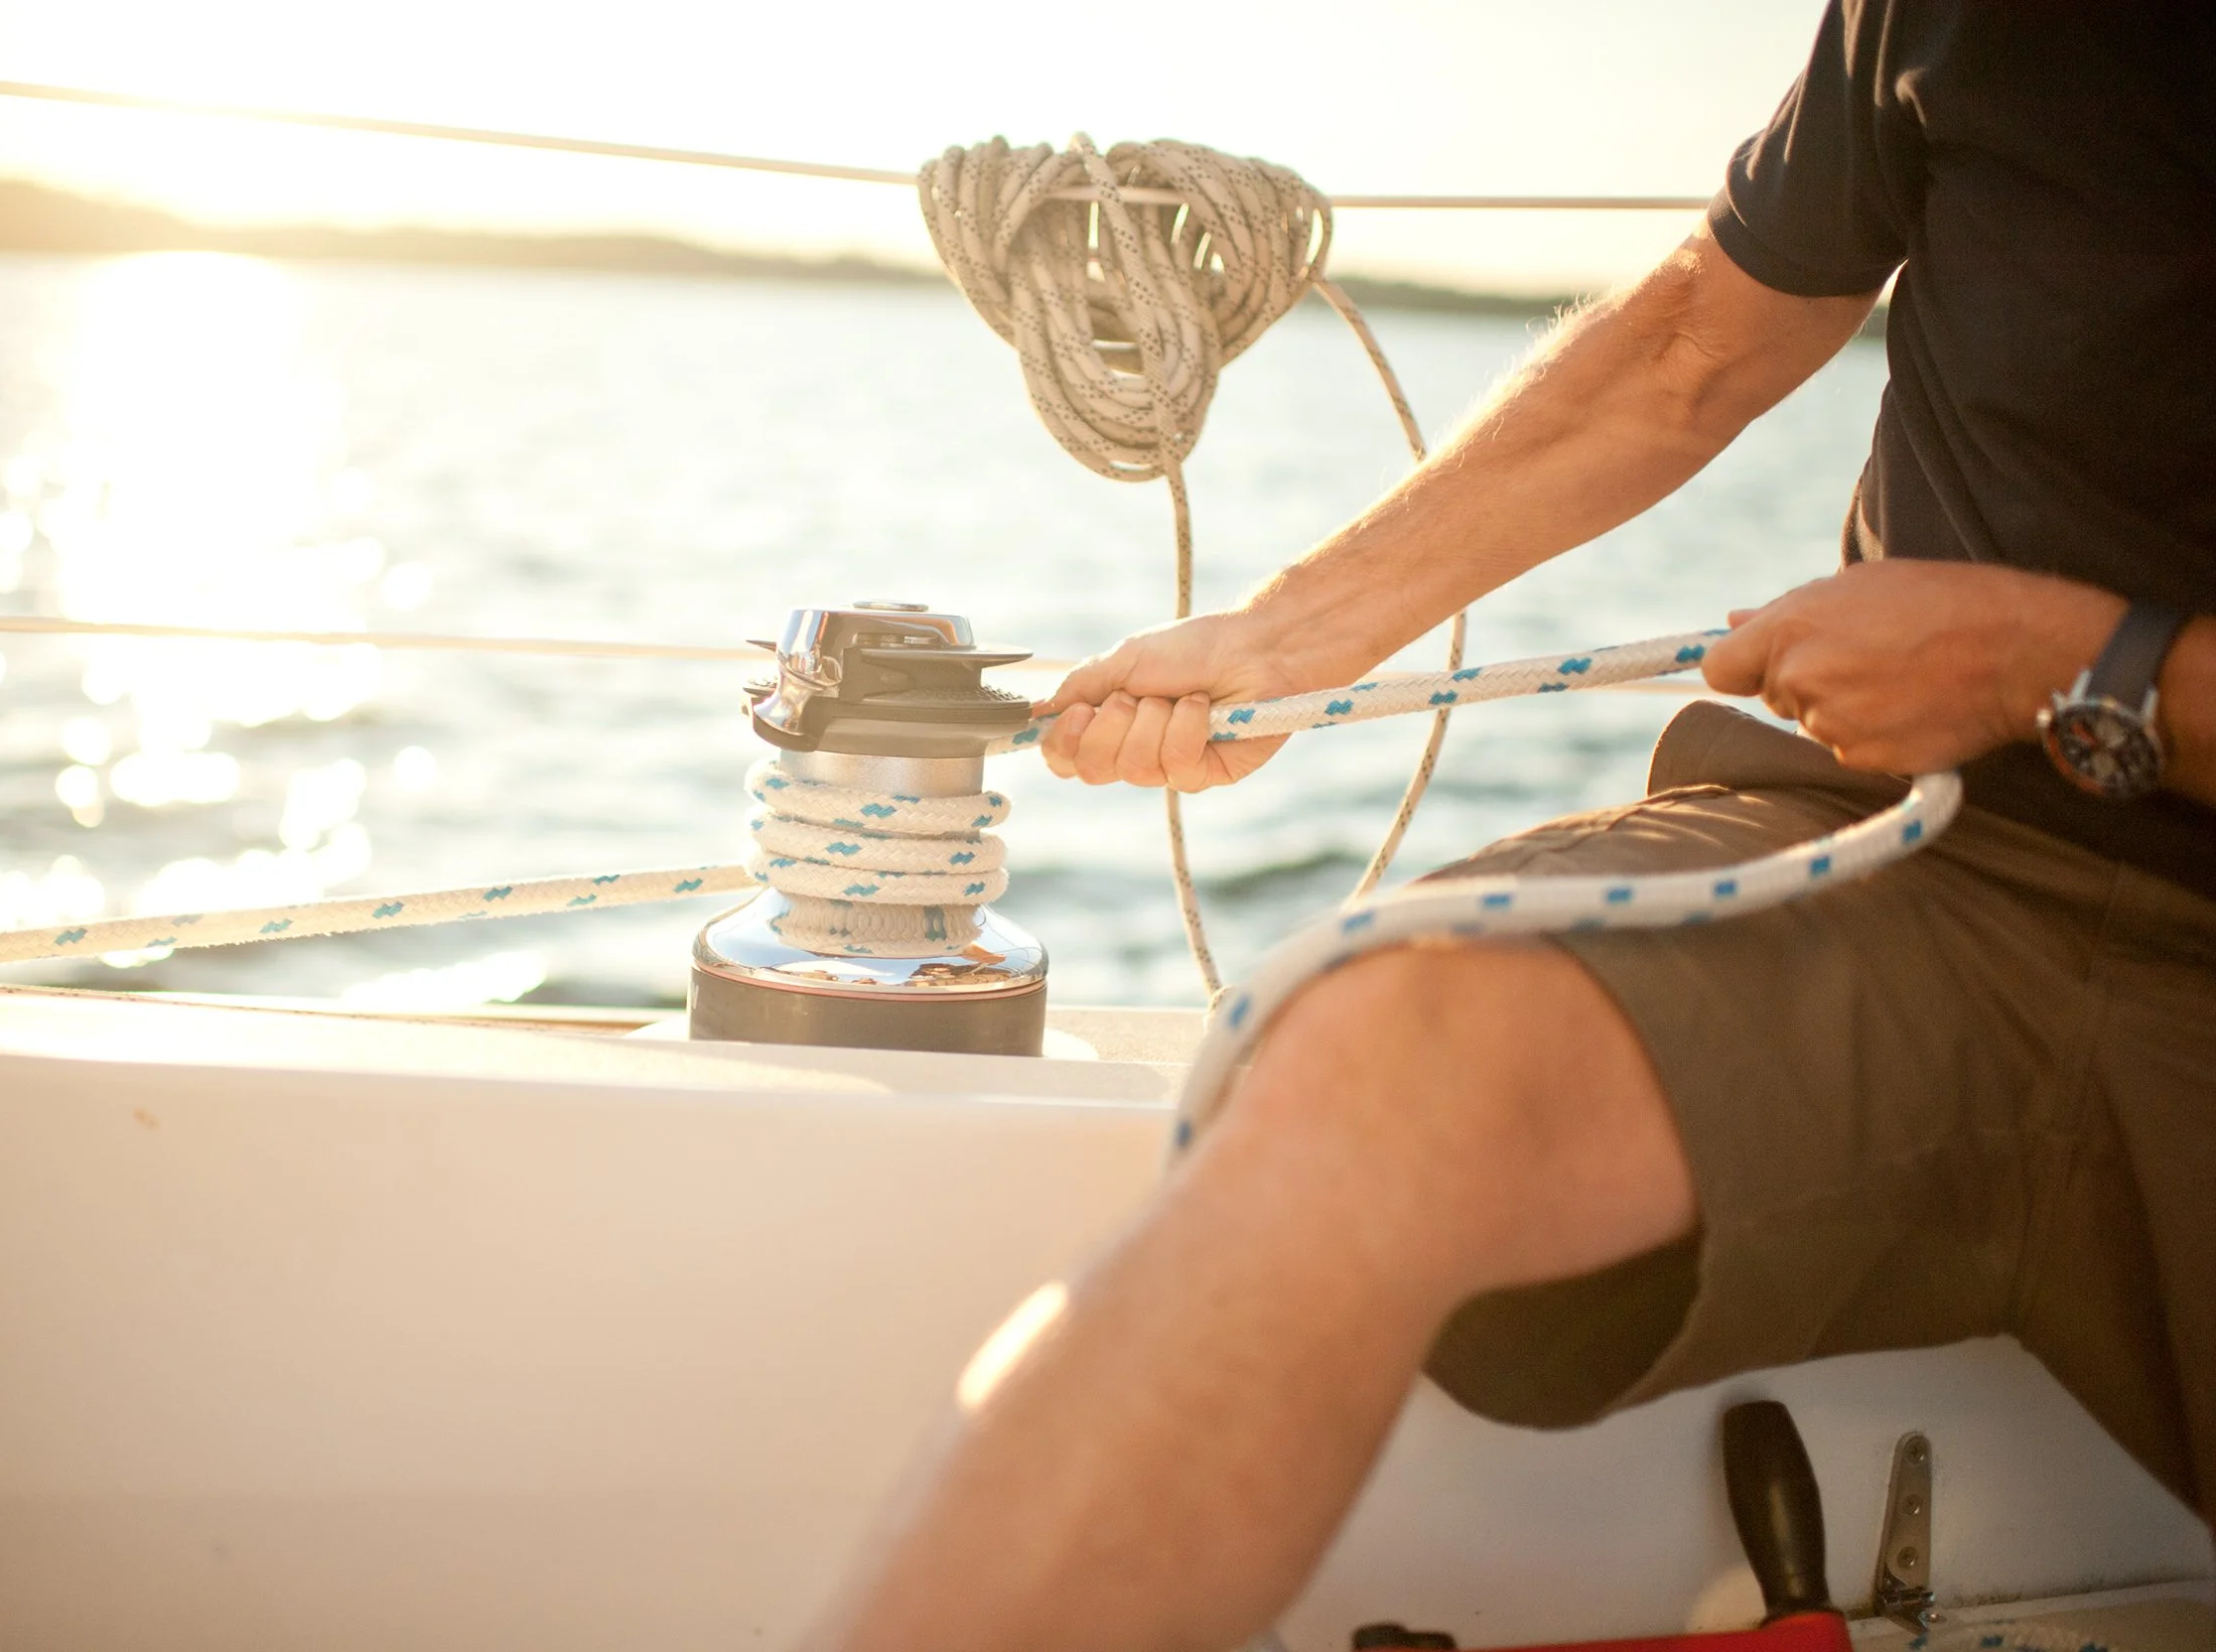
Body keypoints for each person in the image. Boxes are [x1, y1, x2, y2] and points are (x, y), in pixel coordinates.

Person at [809, 2, 2215, 1648]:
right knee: (1377, 1055)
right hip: (1925, 848)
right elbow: (1700, 339)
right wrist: (1284, 641)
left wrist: (2082, 667)